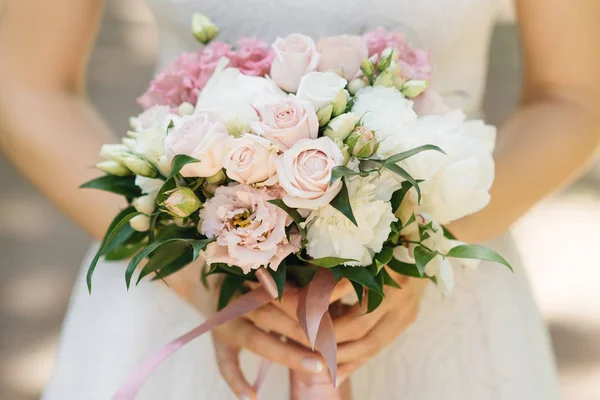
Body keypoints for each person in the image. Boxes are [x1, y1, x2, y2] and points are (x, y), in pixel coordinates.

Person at [1, 0, 599, 399]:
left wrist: (420, 253)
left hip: (439, 286)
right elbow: (27, 85)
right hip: (183, 285)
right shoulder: (187, 278)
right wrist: (191, 274)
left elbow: (573, 94)